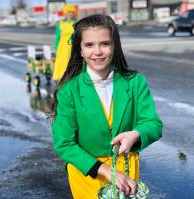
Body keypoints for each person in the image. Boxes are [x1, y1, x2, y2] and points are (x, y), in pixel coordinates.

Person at [51, 14, 162, 199]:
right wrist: (102, 170)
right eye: (89, 45)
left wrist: (136, 134)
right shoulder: (68, 91)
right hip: (87, 172)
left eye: (105, 43)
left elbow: (153, 124)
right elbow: (64, 144)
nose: (98, 51)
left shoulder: (135, 82)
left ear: (114, 46)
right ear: (80, 50)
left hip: (125, 172)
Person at [52, 4, 77, 81]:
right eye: (68, 12)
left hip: (73, 47)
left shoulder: (76, 24)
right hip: (63, 48)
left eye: (71, 12)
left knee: (73, 62)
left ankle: (72, 77)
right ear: (65, 14)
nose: (70, 14)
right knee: (62, 63)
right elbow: (57, 37)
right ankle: (61, 78)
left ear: (74, 14)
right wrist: (55, 49)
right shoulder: (60, 24)